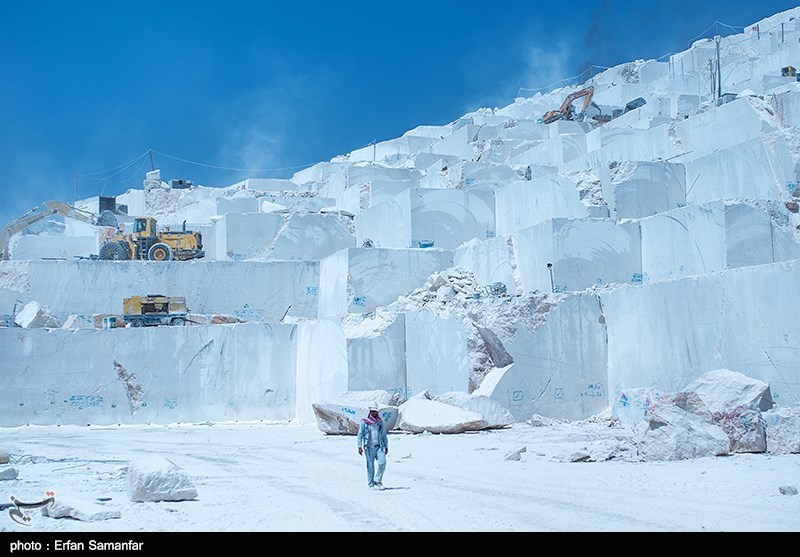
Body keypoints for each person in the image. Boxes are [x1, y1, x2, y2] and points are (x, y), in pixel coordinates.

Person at [357, 403, 389, 490]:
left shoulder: (379, 422)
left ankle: (378, 481)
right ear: (370, 411)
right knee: (370, 466)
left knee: (382, 463)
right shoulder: (364, 422)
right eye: (372, 411)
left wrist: (386, 446)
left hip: (379, 446)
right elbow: (360, 434)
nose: (374, 413)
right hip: (369, 447)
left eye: (375, 411)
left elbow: (383, 435)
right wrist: (359, 446)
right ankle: (371, 484)